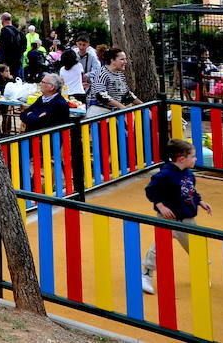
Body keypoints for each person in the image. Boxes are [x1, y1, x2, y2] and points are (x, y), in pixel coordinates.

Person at [141, 138, 211, 294]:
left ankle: (201, 273)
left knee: (196, 247)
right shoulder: (165, 174)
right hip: (168, 219)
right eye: (193, 156)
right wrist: (160, 205)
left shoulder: (188, 173)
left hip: (188, 219)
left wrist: (200, 202)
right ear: (182, 158)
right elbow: (150, 190)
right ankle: (146, 274)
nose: (196, 159)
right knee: (158, 247)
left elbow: (190, 190)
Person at [86, 47, 140, 117]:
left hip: (114, 113)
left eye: (125, 59)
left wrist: (143, 105)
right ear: (112, 60)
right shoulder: (102, 73)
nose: (125, 62)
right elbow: (101, 95)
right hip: (100, 114)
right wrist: (122, 107)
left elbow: (126, 94)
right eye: (122, 59)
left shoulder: (119, 74)